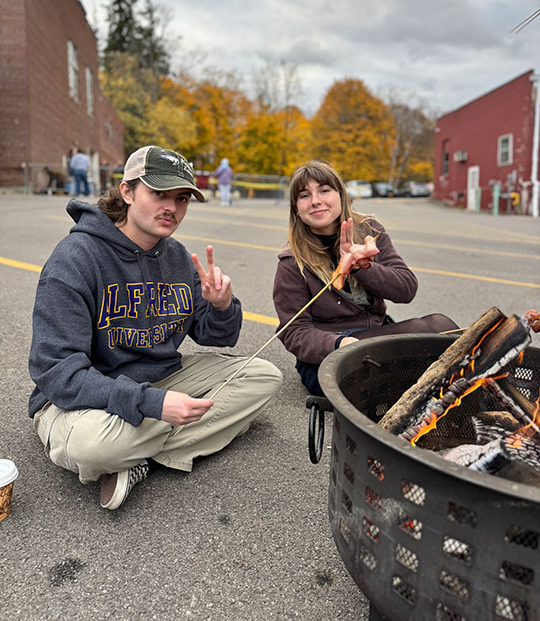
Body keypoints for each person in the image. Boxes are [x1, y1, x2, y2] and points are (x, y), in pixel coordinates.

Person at [29, 145, 282, 510]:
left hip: (160, 377)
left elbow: (217, 337)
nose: (172, 208)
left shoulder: (177, 256)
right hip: (81, 401)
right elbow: (56, 372)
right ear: (128, 191)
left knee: (264, 377)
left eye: (181, 198)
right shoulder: (75, 258)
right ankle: (133, 451)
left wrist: (222, 306)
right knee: (93, 447)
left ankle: (137, 461)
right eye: (158, 193)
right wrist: (153, 403)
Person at [272, 160, 458, 397]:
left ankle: (483, 394)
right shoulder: (292, 262)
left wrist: (363, 267)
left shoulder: (370, 230)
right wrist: (338, 344)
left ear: (341, 194)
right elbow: (294, 331)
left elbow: (407, 290)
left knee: (440, 326)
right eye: (305, 195)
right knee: (420, 353)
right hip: (329, 359)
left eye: (324, 190)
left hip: (375, 334)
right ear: (296, 208)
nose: (316, 200)